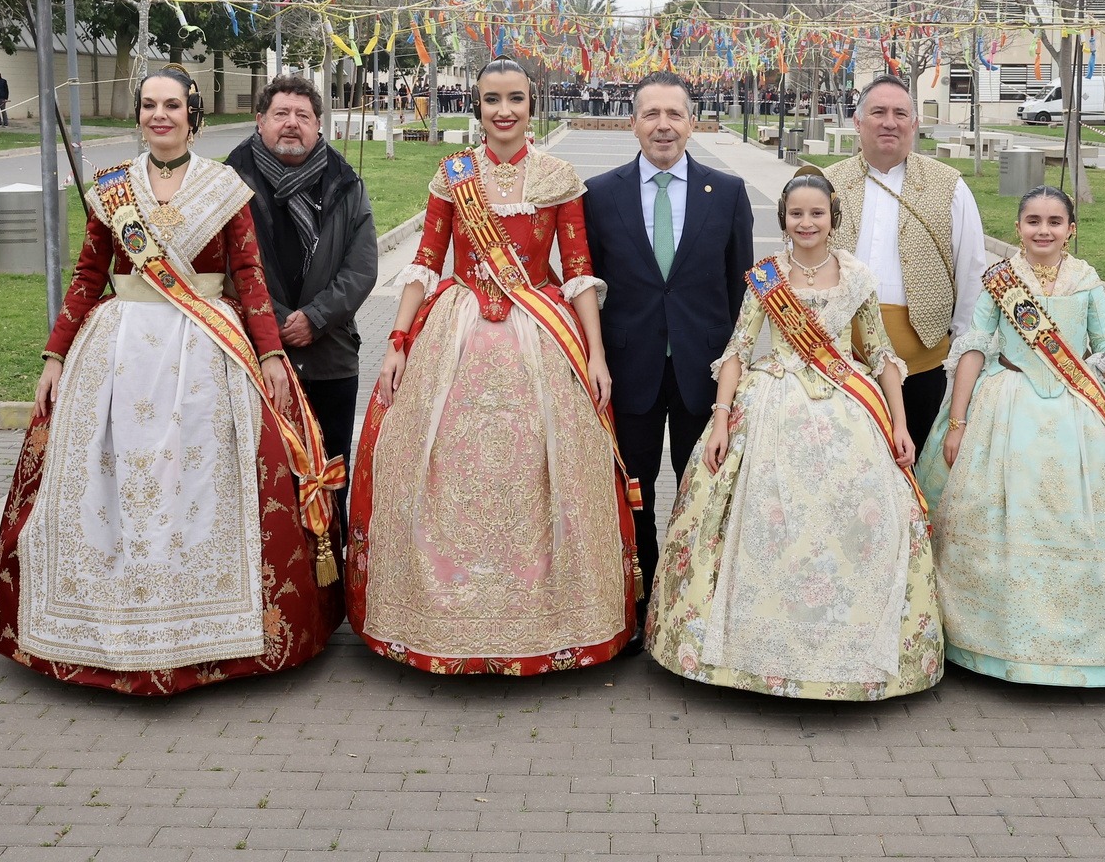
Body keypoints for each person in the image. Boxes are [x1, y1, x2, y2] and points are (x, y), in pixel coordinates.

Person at [0, 67, 343, 696]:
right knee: (119, 477)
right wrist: (54, 358)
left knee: (196, 475)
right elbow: (88, 275)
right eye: (150, 105)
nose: (160, 116)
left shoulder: (223, 187)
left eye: (172, 105)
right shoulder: (112, 188)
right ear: (139, 115)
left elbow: (251, 279)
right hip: (119, 355)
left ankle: (205, 630)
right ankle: (104, 622)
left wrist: (267, 359)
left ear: (192, 113)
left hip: (205, 354)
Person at [347, 56, 639, 675]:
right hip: (455, 333)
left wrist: (595, 352)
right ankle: (438, 615)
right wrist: (397, 340)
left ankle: (549, 619)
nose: (503, 111)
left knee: (542, 467)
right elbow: (426, 262)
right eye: (491, 100)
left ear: (533, 105)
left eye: (515, 99)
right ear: (476, 106)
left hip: (538, 329)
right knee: (436, 464)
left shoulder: (557, 175)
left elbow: (580, 270)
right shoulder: (453, 176)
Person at [646, 174, 944, 700]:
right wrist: (720, 421)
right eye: (796, 215)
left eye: (817, 214)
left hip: (845, 406)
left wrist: (898, 423)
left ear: (834, 218)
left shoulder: (856, 275)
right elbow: (738, 350)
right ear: (782, 219)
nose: (806, 224)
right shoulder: (766, 277)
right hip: (771, 404)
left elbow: (879, 354)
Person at [918, 186, 1105, 687]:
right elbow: (975, 349)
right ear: (1018, 226)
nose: (1042, 230)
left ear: (1071, 230)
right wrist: (956, 423)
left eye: (1054, 221)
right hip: (1006, 406)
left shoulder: (1087, 281)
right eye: (1032, 220)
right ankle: (993, 644)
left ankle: (1093, 646)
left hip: (1078, 412)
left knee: (1079, 523)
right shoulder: (999, 281)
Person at [583, 70, 754, 652]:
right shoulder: (598, 194)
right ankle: (636, 600)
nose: (662, 125)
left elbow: (740, 296)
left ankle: (692, 609)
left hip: (702, 377)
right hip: (626, 374)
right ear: (632, 123)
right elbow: (590, 287)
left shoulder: (727, 194)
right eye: (650, 114)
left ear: (691, 122)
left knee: (697, 492)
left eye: (674, 114)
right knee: (632, 493)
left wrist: (739, 373)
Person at [227, 75, 378, 532]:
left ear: (318, 125)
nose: (291, 124)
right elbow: (226, 269)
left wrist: (315, 318)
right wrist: (275, 325)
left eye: (303, 116)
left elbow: (362, 267)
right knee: (263, 481)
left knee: (330, 475)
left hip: (330, 357)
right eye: (281, 114)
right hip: (256, 358)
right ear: (260, 121)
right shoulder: (227, 184)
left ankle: (331, 589)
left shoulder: (345, 183)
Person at [825, 74, 986, 437]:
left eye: (900, 113)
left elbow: (972, 272)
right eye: (878, 112)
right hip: (841, 361)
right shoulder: (826, 184)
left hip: (924, 365)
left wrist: (961, 352)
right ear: (857, 121)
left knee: (914, 469)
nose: (889, 122)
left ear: (914, 124)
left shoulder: (950, 186)